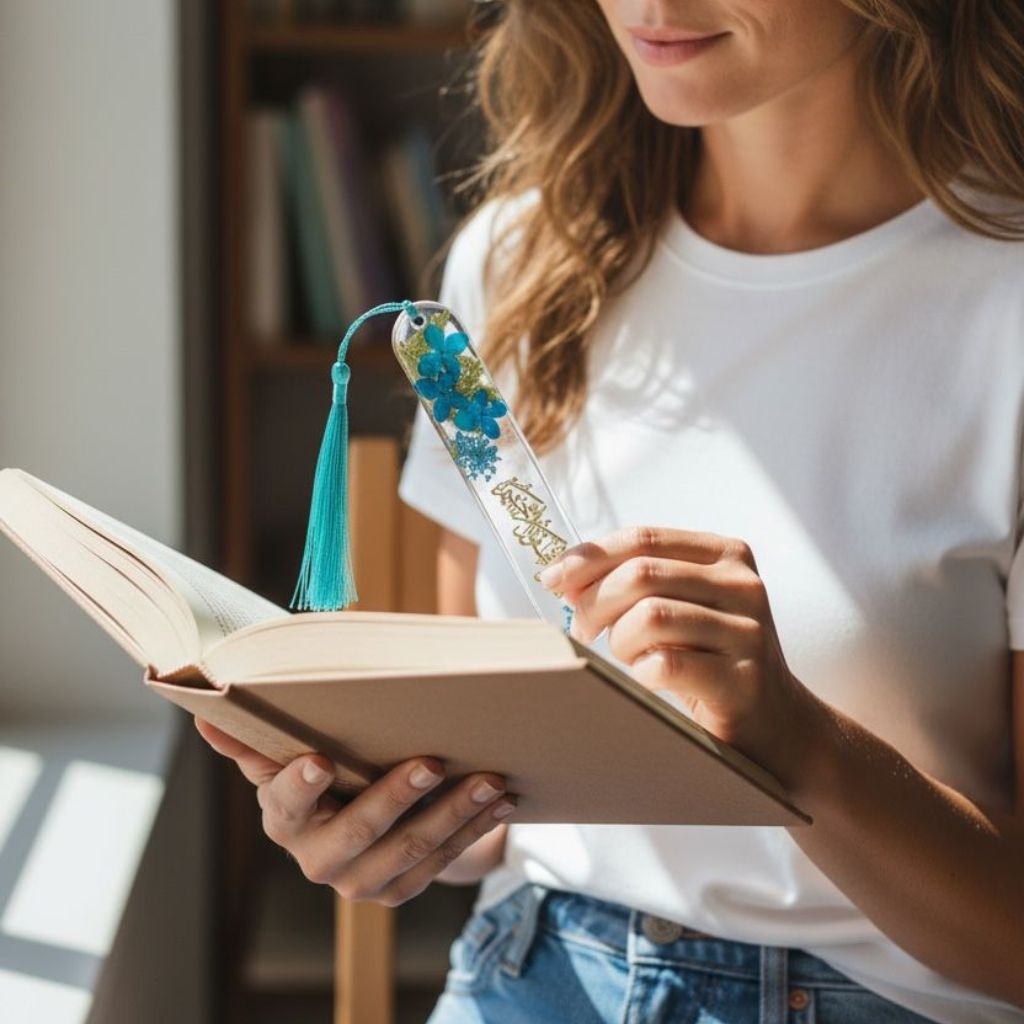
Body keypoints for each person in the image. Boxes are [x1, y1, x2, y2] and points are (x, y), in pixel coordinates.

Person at [197, 0, 1024, 1020]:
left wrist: (802, 748)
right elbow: (482, 808)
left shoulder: (1002, 308)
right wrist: (385, 818)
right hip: (527, 969)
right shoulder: (517, 264)